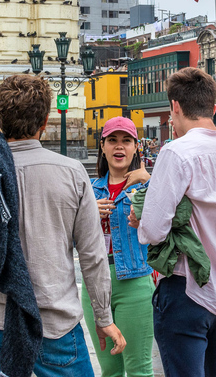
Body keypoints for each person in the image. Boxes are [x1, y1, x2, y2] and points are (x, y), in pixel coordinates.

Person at [0, 74, 126, 377]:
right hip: (55, 323)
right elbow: (93, 257)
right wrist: (103, 317)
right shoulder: (71, 173)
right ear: (45, 120)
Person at [130, 67, 216, 377]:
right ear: (213, 108)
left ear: (174, 107)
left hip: (187, 291)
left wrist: (139, 220)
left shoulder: (177, 152)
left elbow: (154, 231)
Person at [83, 116, 154, 377]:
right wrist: (89, 213)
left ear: (136, 147)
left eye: (126, 141)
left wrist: (148, 181)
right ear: (102, 146)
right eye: (112, 140)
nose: (119, 147)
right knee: (110, 370)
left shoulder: (148, 186)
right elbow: (69, 238)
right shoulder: (89, 190)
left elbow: (169, 224)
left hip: (134, 282)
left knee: (139, 369)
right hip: (94, 286)